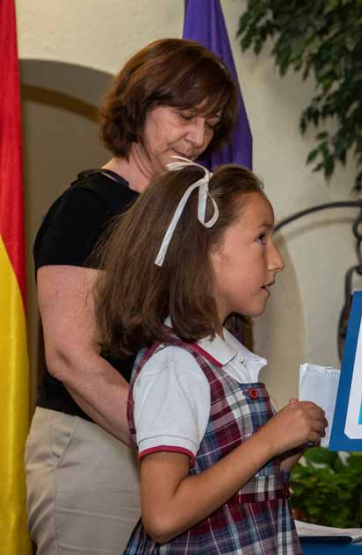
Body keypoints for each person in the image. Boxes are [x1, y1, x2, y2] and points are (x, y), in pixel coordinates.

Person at [25, 38, 239, 555]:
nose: (197, 139)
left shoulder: (182, 213)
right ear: (140, 105)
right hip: (96, 447)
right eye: (185, 116)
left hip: (161, 451)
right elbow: (71, 357)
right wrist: (169, 443)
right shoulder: (87, 207)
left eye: (210, 125)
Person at [93, 161, 326, 553]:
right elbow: (163, 516)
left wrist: (288, 447)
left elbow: (233, 482)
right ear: (206, 250)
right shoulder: (174, 366)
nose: (277, 261)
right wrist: (268, 441)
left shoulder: (227, 360)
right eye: (261, 238)